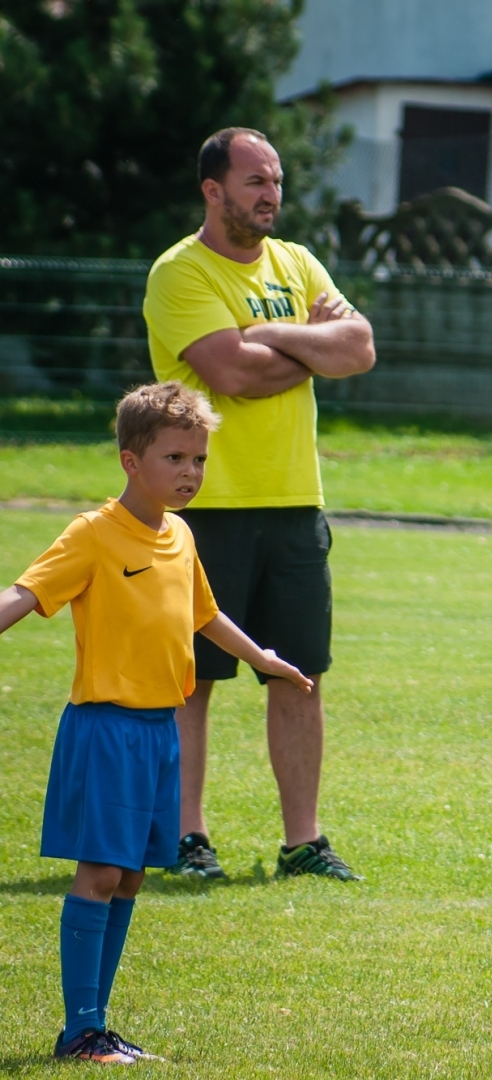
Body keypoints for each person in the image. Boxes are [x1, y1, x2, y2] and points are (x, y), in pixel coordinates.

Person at [0, 383, 312, 1063]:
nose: (191, 473)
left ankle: (95, 1026)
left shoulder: (180, 535)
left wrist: (262, 656)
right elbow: (25, 593)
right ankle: (80, 1031)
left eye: (199, 459)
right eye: (175, 458)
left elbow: (204, 613)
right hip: (105, 728)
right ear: (129, 460)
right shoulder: (92, 532)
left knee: (134, 874)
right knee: (102, 874)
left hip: (158, 733)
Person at [143, 127, 375, 881]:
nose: (271, 194)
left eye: (275, 180)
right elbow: (230, 375)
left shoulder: (297, 261)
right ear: (213, 190)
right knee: (194, 678)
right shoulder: (180, 273)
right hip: (205, 506)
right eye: (254, 182)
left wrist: (270, 333)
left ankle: (302, 843)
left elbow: (360, 348)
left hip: (294, 503)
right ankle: (188, 839)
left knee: (298, 674)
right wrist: (309, 348)